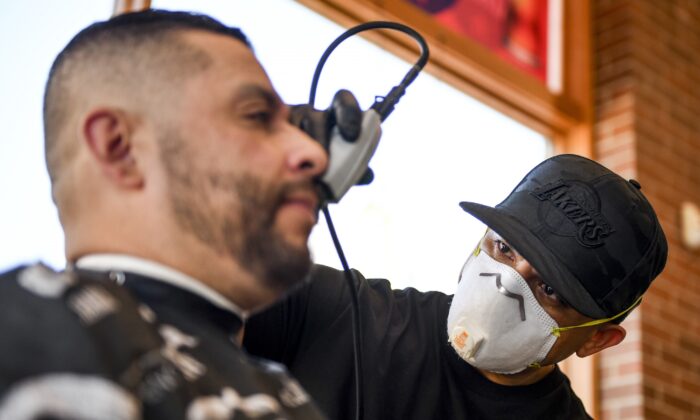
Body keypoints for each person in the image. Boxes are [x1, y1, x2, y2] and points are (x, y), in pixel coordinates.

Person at [0, 9, 340, 419]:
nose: (315, 154)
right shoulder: (29, 324)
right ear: (119, 148)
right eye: (256, 117)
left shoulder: (280, 391)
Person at [243, 154, 668, 420]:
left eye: (550, 290)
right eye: (502, 248)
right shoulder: (341, 315)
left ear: (597, 339)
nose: (507, 283)